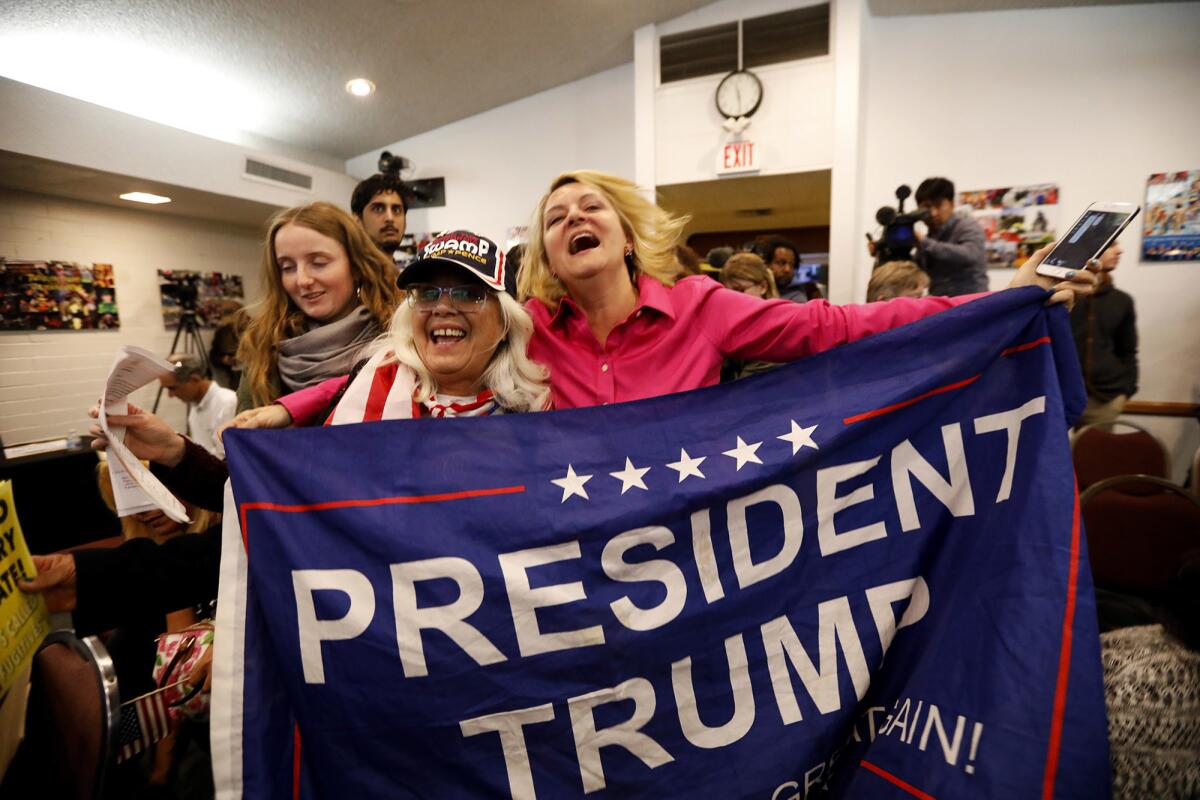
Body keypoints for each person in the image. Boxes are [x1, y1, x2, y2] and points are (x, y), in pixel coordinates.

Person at [21, 230, 549, 630]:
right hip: (363, 631)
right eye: (427, 293)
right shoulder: (366, 391)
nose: (444, 306)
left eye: (469, 293)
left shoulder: (537, 422)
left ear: (504, 319)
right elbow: (275, 516)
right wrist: (174, 454)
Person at [235, 201, 400, 412]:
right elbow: (243, 437)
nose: (302, 280)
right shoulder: (264, 346)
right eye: (288, 267)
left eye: (319, 263)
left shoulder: (398, 336)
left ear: (357, 266)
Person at [1069, 240, 1138, 427]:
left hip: (1105, 400)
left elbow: (1128, 351)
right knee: (1053, 455)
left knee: (1095, 455)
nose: (1119, 251)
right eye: (1111, 244)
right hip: (1062, 397)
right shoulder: (1065, 297)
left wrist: (1126, 391)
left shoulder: (1122, 301)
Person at [911, 177, 988, 296]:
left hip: (970, 303)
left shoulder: (967, 225)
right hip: (940, 303)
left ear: (951, 204)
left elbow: (970, 254)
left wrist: (925, 242)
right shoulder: (931, 234)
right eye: (926, 208)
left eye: (938, 205)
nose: (933, 213)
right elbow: (920, 269)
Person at [159, 352, 237, 457]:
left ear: (194, 379)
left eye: (172, 388)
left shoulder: (228, 403)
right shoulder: (195, 404)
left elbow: (226, 458)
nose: (170, 395)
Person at [718, 252, 779, 381]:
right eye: (727, 294)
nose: (732, 300)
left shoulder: (772, 329)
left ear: (763, 287)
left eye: (740, 290)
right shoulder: (734, 329)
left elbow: (750, 387)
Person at [349, 172, 409, 256]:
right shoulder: (345, 268)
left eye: (396, 210)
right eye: (378, 209)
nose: (390, 218)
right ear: (357, 220)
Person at [757, 236, 809, 301]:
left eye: (792, 264)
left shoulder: (797, 297)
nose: (787, 269)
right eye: (781, 263)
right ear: (766, 264)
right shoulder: (754, 289)